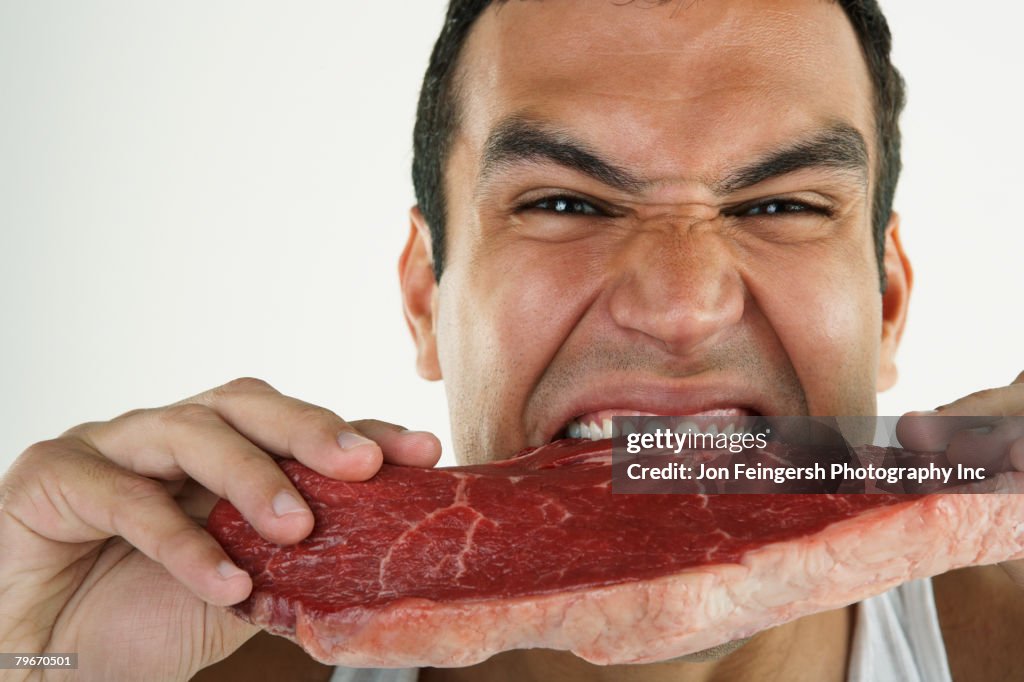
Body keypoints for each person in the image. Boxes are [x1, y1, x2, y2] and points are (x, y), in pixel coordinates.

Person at [1, 0, 1022, 680]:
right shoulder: (200, 652)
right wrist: (27, 655)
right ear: (423, 296)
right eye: (567, 203)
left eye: (779, 206)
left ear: (886, 303)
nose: (679, 305)